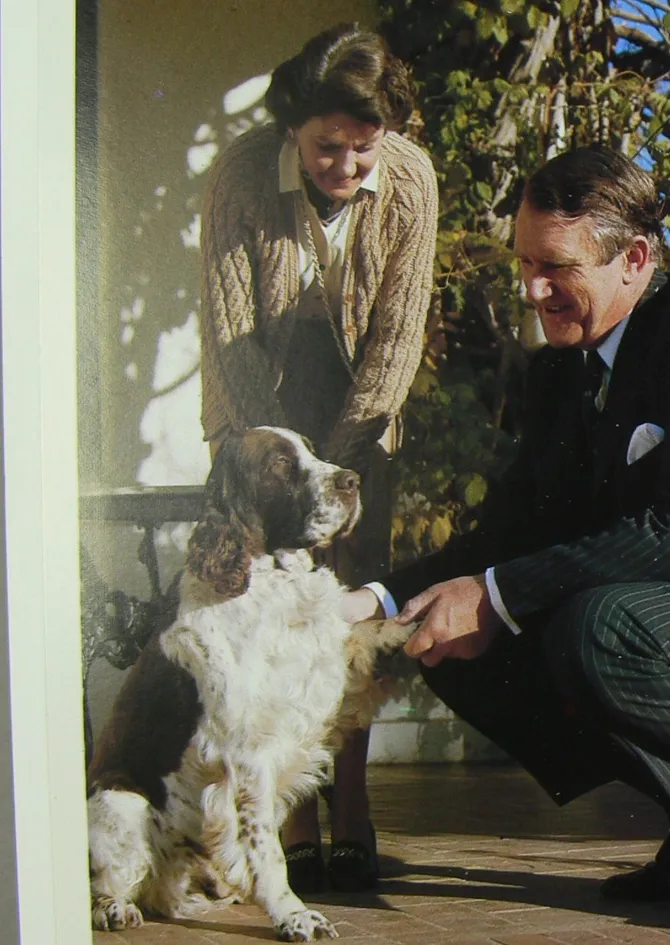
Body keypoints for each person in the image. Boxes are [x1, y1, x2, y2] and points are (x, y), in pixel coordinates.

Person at [343, 147, 670, 929]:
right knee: (441, 633)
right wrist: (381, 598)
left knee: (600, 626)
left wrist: (494, 594)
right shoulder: (560, 372)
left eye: (555, 266)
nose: (532, 290)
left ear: (633, 258)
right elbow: (509, 529)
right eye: (524, 263)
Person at [198, 22, 438, 894]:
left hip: (357, 411)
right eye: (326, 147)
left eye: (361, 151)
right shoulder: (239, 176)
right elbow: (228, 334)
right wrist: (280, 473)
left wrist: (333, 471)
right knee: (267, 611)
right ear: (292, 127)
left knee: (347, 607)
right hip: (262, 406)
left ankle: (350, 800)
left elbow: (396, 336)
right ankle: (288, 807)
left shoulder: (409, 177)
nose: (345, 167)